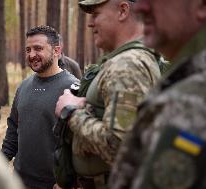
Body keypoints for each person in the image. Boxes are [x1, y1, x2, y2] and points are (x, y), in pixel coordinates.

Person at [54, 0, 162, 188]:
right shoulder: (126, 61)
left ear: (122, 11)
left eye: (96, 14)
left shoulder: (128, 65)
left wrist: (71, 112)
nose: (90, 23)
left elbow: (122, 147)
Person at [109, 0, 206, 189]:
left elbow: (114, 140)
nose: (140, 7)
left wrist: (74, 114)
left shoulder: (189, 104)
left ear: (203, 5)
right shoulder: (187, 78)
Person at [1, 25, 78, 189]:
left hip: (54, 184)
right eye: (28, 50)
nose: (31, 55)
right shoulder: (24, 86)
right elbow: (13, 130)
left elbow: (79, 142)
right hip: (19, 181)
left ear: (56, 51)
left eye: (38, 48)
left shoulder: (72, 88)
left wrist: (70, 181)